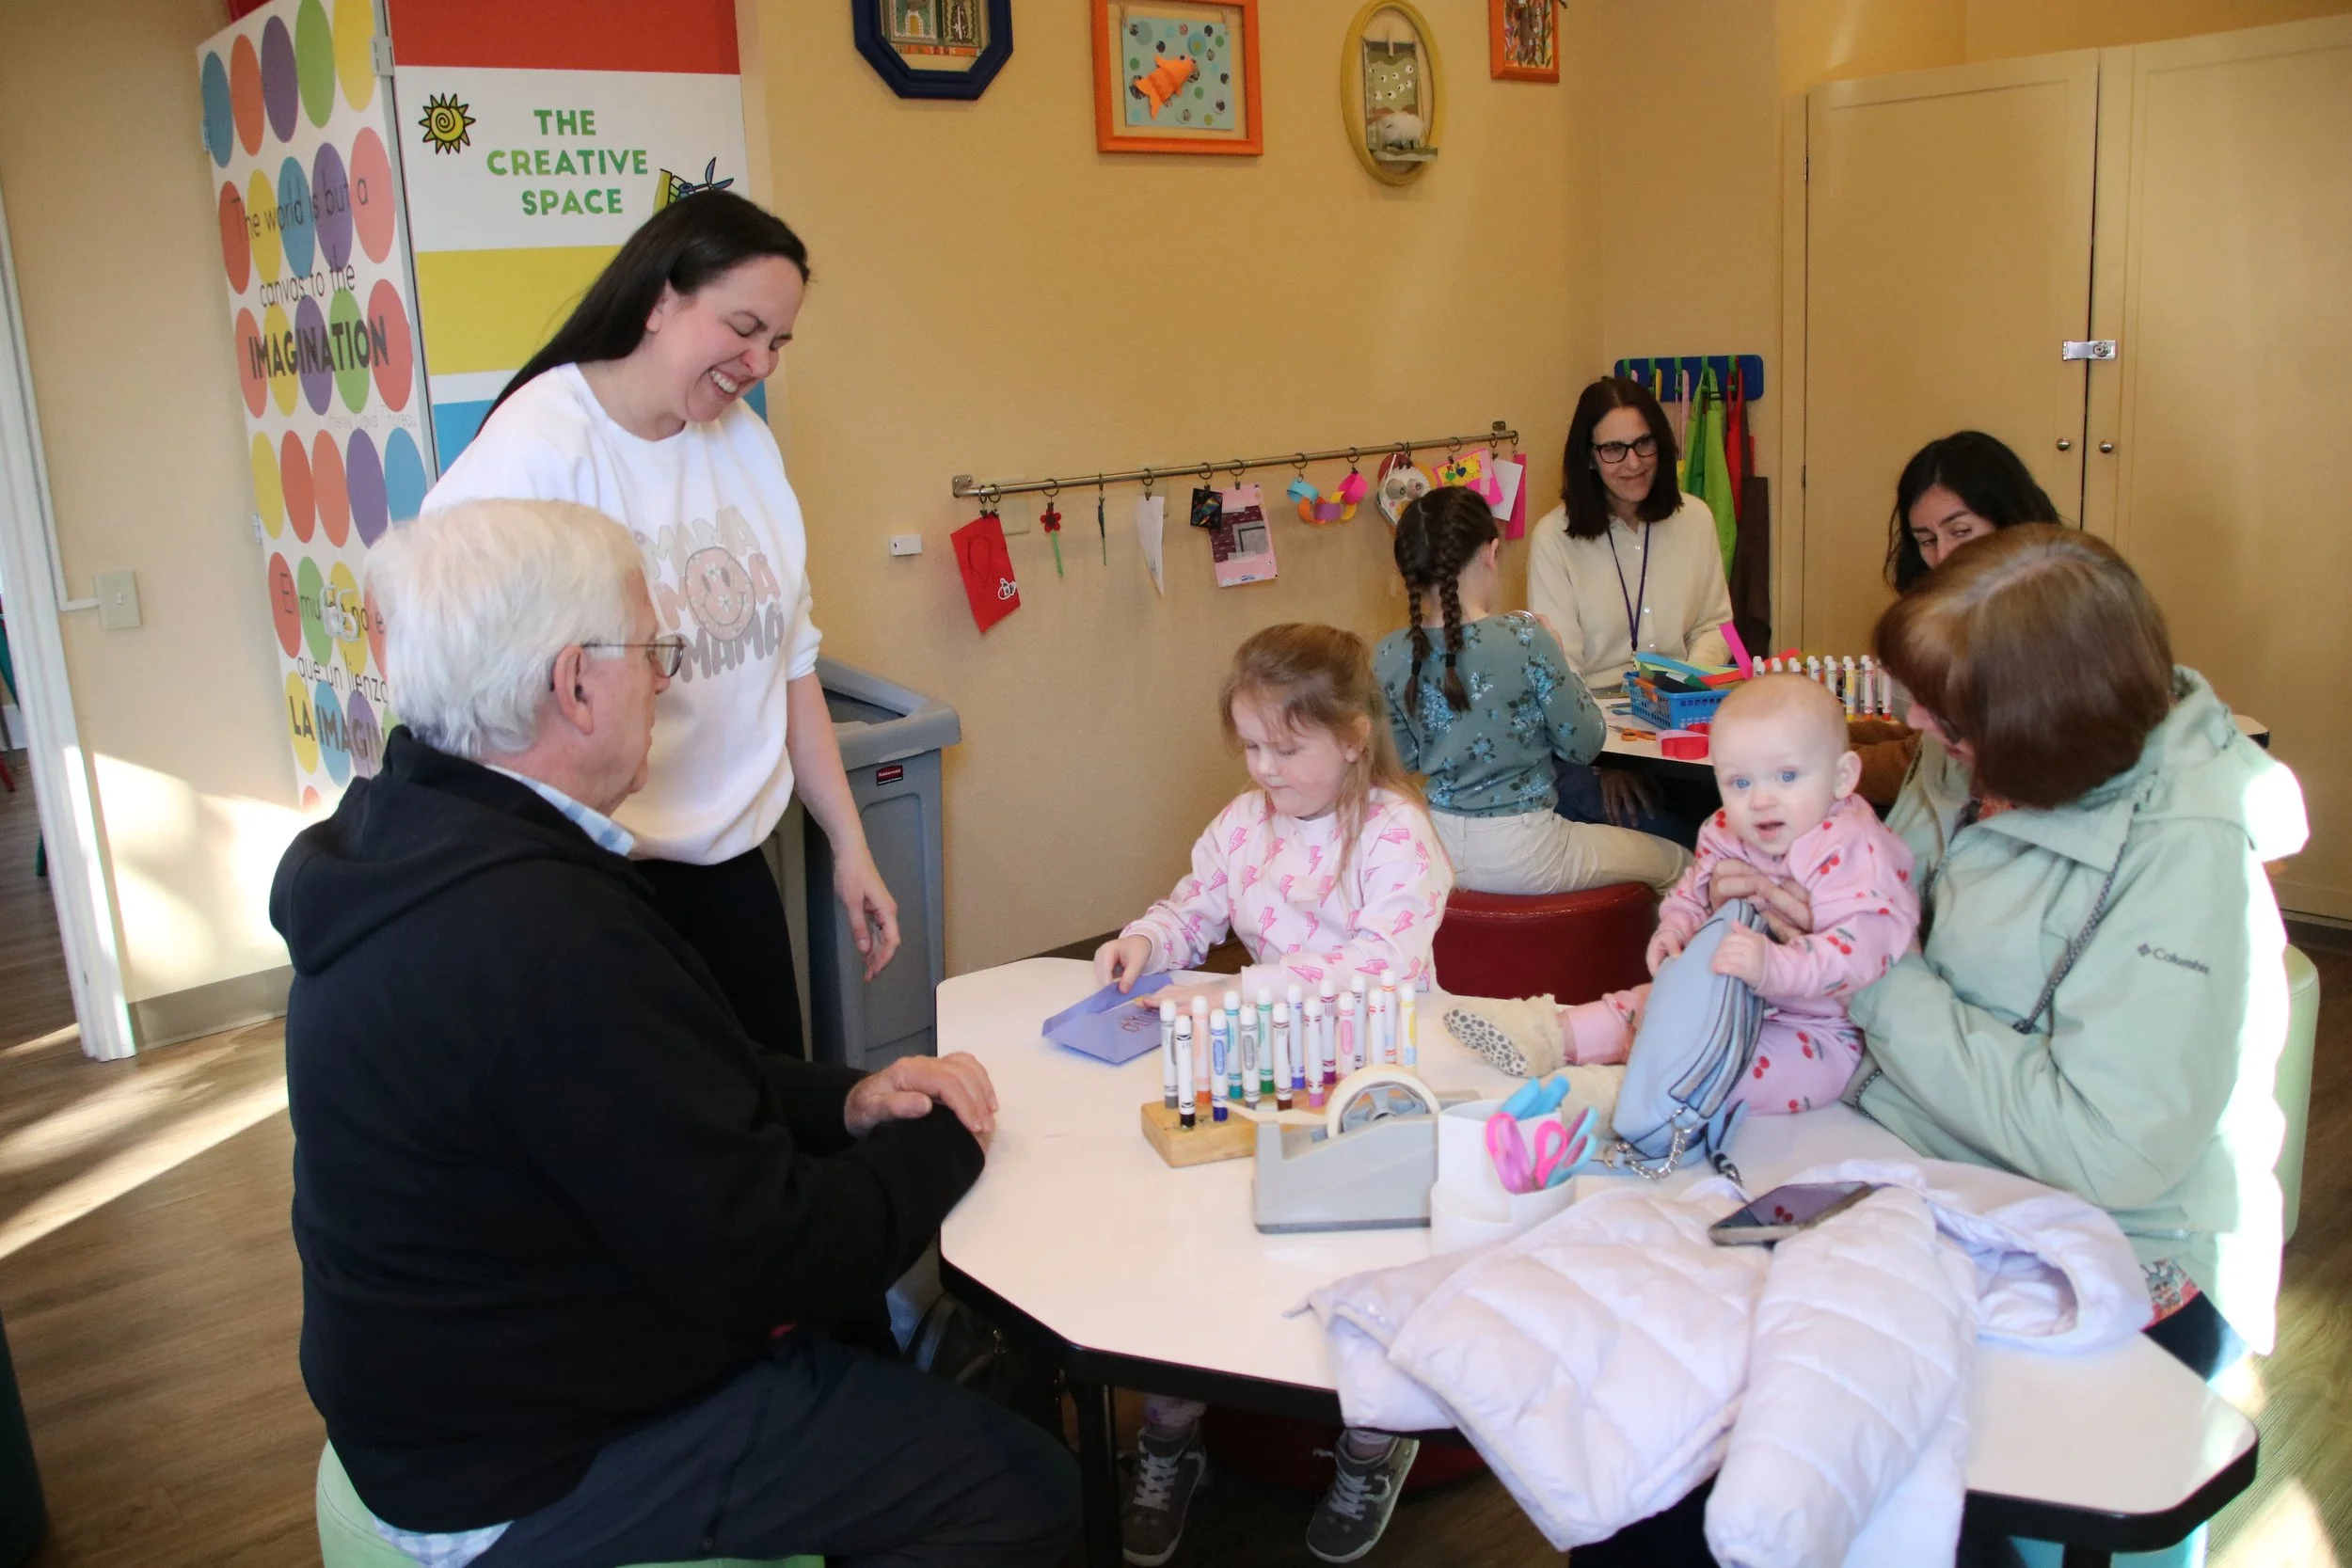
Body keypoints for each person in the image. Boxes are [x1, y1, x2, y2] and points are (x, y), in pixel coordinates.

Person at [274, 499, 1076, 1568]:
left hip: (436, 1397)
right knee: (1024, 1489)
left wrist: (841, 1100)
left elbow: (638, 1084)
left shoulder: (408, 837)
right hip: (521, 1466)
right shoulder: (540, 937)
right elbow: (774, 1257)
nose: (665, 679)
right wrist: (948, 1143)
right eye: (651, 650)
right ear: (572, 683)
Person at [423, 190, 887, 1061]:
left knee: (764, 1114)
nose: (759, 362)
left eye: (778, 342)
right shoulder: (540, 448)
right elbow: (451, 678)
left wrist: (849, 845)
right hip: (599, 883)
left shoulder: (743, 444)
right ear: (660, 299)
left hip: (733, 871)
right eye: (743, 327)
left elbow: (791, 663)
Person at [1093, 624, 1452, 1566]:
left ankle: (1374, 1443)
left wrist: (1263, 986)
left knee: (1352, 1262)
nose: (1263, 767)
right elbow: (1195, 903)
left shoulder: (1393, 835)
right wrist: (1149, 937)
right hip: (1268, 1064)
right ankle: (1170, 1426)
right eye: (1250, 745)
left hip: (1374, 1072)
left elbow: (1383, 957)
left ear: (1351, 736)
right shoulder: (1242, 824)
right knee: (1202, 1239)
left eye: (1285, 748)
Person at [1444, 675, 1916, 1114]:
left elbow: (1860, 954)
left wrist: (1773, 967)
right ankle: (1548, 1036)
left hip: (1815, 1029)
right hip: (1727, 992)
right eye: (1740, 782)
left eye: (1787, 777)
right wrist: (1675, 927)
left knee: (1746, 1069)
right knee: (1645, 1004)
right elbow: (1694, 887)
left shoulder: (1855, 848)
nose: (1761, 800)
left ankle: (1629, 1096)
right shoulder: (1728, 829)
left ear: (1842, 777)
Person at [1375, 485, 1688, 897]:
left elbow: (1404, 759)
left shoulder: (1389, 653)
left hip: (1440, 847)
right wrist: (1558, 656)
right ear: (1491, 552)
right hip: (1528, 852)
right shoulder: (1525, 637)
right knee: (1679, 862)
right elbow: (1585, 744)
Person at [1529, 376, 1735, 844]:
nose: (1634, 463)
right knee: (1675, 837)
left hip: (1683, 730)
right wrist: (1604, 763)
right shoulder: (1553, 539)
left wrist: (1683, 687)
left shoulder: (1695, 519)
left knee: (1742, 826)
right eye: (1614, 450)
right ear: (1588, 456)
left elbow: (1714, 624)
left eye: (1644, 444)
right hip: (1590, 742)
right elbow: (1561, 674)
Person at [1852, 430, 2067, 806]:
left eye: (1961, 531)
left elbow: (1929, 761)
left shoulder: (2042, 620)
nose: (1945, 556)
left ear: (2009, 521)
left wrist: (1808, 761)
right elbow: (1925, 743)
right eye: (1927, 540)